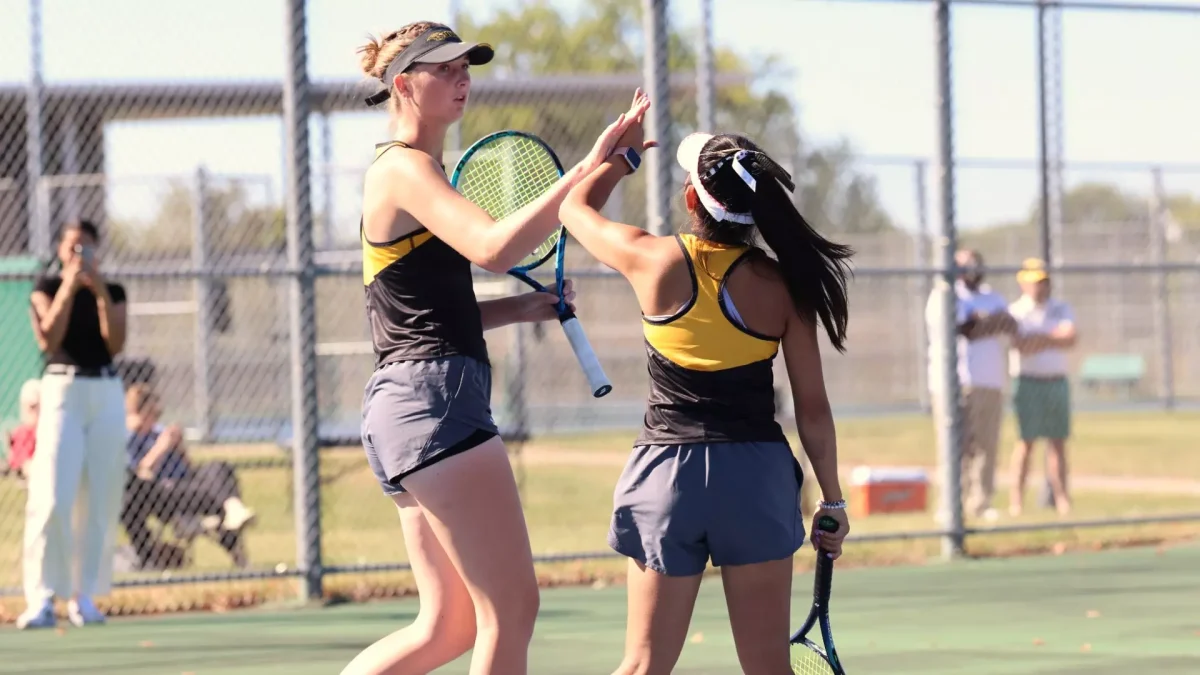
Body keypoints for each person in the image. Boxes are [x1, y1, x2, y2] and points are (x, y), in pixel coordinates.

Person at [339, 21, 646, 675]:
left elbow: (429, 313)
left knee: (446, 626)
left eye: (466, 67)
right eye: (445, 68)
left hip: (404, 407)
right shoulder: (406, 169)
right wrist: (590, 168)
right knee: (511, 609)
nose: (462, 78)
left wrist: (528, 306)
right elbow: (495, 247)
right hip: (434, 406)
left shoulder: (416, 173)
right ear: (403, 85)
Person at [558, 123, 852, 675]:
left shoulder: (653, 258)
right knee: (769, 668)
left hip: (667, 476)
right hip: (756, 479)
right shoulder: (785, 285)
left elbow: (573, 208)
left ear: (692, 198)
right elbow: (813, 409)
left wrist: (621, 158)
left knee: (643, 665)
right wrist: (831, 502)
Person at [19, 219, 129, 630]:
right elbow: (48, 338)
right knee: (52, 495)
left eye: (85, 247)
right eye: (71, 247)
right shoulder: (45, 287)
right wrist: (69, 285)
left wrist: (97, 288)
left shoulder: (113, 290)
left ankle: (84, 596)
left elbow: (115, 343)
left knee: (99, 497)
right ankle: (42, 596)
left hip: (105, 392)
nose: (78, 254)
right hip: (62, 391)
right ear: (60, 250)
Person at [122, 384, 256, 568]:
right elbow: (139, 475)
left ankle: (232, 507)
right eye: (153, 413)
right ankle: (227, 518)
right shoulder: (128, 437)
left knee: (218, 468)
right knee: (216, 494)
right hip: (163, 493)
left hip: (188, 485)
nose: (156, 418)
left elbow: (189, 467)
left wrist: (179, 448)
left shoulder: (158, 432)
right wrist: (161, 447)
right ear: (141, 412)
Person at [924, 249, 1014, 522]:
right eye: (965, 265)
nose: (972, 270)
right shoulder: (943, 296)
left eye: (976, 263)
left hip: (989, 381)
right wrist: (985, 322)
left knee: (986, 446)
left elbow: (1009, 323)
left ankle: (981, 503)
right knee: (954, 446)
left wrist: (981, 321)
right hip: (952, 383)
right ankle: (951, 505)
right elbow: (966, 330)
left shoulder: (993, 296)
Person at [1007, 258, 1077, 516]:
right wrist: (1051, 338)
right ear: (1023, 283)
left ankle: (1062, 500)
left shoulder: (1060, 308)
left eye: (1044, 282)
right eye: (1035, 282)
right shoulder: (1015, 311)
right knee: (1026, 443)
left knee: (1057, 443)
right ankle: (1016, 503)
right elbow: (1020, 345)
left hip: (1055, 380)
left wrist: (1040, 339)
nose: (1040, 287)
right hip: (1028, 380)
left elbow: (1069, 338)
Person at [7, 379, 41, 481]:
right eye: (30, 406)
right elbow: (18, 462)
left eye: (35, 406)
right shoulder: (21, 433)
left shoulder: (47, 432)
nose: (32, 411)